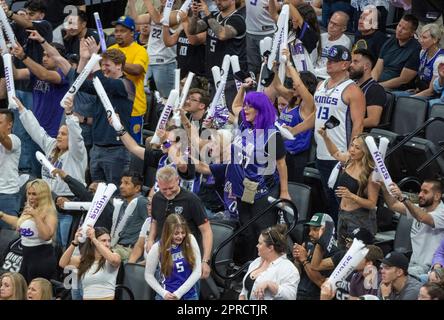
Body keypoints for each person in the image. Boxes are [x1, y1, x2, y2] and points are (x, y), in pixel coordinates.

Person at [288, 45, 365, 226]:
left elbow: (358, 124)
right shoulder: (321, 85)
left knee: (342, 201)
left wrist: (351, 155)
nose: (329, 63)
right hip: (322, 152)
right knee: (328, 199)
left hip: (341, 156)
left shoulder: (352, 90)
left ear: (345, 64)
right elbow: (317, 115)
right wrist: (294, 130)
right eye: (328, 59)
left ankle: (343, 237)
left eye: (334, 60)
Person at [15, 93, 87, 249]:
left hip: (67, 205)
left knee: (62, 245)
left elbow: (77, 137)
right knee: (47, 243)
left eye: (63, 134)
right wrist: (22, 110)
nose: (59, 136)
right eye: (59, 133)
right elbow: (37, 131)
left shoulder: (77, 154)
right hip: (47, 203)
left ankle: (58, 272)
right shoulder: (52, 147)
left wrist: (69, 115)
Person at [228, 89, 290, 263]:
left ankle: (266, 266)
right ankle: (248, 266)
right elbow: (235, 106)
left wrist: (284, 192)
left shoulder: (272, 134)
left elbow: (281, 165)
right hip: (245, 188)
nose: (245, 109)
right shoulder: (244, 122)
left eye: (250, 106)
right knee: (246, 229)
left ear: (260, 109)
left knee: (262, 231)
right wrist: (241, 88)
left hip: (264, 189)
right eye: (246, 105)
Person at [147, 166, 213, 279]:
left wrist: (205, 260)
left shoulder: (191, 200)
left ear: (178, 180)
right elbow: (155, 220)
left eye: (171, 188)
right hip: (163, 253)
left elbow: (206, 231)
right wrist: (150, 239)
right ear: (158, 184)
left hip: (188, 255)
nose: (168, 192)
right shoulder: (157, 198)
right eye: (164, 189)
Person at [318, 129, 379, 247]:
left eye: (357, 148)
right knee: (341, 251)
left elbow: (372, 204)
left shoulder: (371, 173)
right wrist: (325, 136)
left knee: (356, 255)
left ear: (366, 151)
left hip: (360, 219)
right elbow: (335, 153)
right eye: (352, 145)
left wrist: (352, 196)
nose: (352, 150)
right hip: (342, 214)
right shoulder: (349, 160)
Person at [188, 0, 248, 109]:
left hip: (230, 78)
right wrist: (195, 15)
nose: (218, 1)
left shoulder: (237, 19)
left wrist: (207, 13)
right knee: (216, 115)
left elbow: (222, 34)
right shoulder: (214, 16)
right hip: (213, 76)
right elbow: (192, 30)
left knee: (230, 113)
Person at [381, 180, 444, 278]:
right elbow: (393, 205)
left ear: (437, 196)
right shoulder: (420, 209)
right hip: (413, 264)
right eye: (420, 191)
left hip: (431, 269)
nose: (420, 195)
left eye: (425, 192)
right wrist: (384, 187)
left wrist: (403, 198)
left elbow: (422, 217)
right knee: (384, 271)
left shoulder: (442, 213)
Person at [0, 179, 58, 283]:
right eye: (29, 193)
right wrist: (2, 215)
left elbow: (46, 236)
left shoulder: (49, 212)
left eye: (34, 194)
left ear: (42, 195)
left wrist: (36, 216)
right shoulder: (29, 207)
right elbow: (19, 224)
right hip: (26, 255)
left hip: (41, 257)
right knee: (21, 289)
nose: (30, 197)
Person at [273, 53, 317, 183]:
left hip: (296, 156)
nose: (293, 84)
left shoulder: (309, 104)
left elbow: (298, 85)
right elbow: (277, 87)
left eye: (297, 81)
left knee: (292, 187)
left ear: (306, 86)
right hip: (281, 151)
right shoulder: (292, 98)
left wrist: (288, 63)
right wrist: (275, 70)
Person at [109, 15, 149, 143]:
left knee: (134, 146)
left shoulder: (140, 50)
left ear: (132, 32)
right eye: (116, 31)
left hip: (134, 107)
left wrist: (117, 62)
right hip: (113, 107)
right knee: (115, 144)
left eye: (123, 31)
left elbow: (137, 70)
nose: (118, 34)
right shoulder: (111, 50)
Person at [144, 214, 201, 300]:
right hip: (166, 295)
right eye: (176, 233)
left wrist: (178, 293)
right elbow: (148, 275)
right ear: (168, 232)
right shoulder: (157, 247)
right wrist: (164, 293)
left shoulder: (190, 239)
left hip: (189, 295)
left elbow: (197, 271)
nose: (180, 236)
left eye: (183, 232)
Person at [239, 224, 300, 300]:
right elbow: (244, 290)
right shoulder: (256, 262)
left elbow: (290, 296)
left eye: (260, 243)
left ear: (270, 248)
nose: (257, 246)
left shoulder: (289, 269)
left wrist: (270, 285)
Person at [59, 226, 121, 300]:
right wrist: (75, 243)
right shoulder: (84, 260)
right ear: (92, 242)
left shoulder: (114, 256)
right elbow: (63, 263)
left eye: (109, 241)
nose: (107, 244)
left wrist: (94, 239)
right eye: (103, 240)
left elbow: (114, 260)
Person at [293, 212, 338, 300]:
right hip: (298, 293)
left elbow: (321, 282)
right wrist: (297, 261)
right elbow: (296, 276)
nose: (310, 233)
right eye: (310, 229)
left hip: (315, 296)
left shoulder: (334, 252)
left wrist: (304, 260)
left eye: (315, 229)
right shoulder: (308, 245)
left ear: (326, 230)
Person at [372, 14, 421, 90]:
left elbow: (403, 80)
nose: (399, 30)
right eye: (399, 25)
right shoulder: (391, 40)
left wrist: (378, 86)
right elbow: (377, 68)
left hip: (395, 88)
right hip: (378, 83)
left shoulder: (416, 49)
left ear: (412, 33)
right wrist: (371, 83)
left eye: (404, 29)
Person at [110, 171, 149, 261]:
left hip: (129, 249)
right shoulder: (121, 204)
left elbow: (150, 225)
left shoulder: (142, 202)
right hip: (116, 245)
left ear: (137, 188)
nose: (121, 186)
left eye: (126, 183)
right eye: (121, 183)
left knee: (101, 256)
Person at [349, 48, 386, 129]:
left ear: (366, 66)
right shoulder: (350, 84)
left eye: (355, 62)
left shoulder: (375, 89)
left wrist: (346, 124)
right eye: (351, 62)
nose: (351, 65)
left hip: (359, 134)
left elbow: (373, 120)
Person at [314, 11, 352, 79]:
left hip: (328, 77)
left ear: (344, 28)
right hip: (314, 72)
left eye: (335, 24)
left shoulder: (345, 42)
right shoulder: (322, 37)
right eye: (330, 22)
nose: (331, 26)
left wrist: (313, 71)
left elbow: (335, 67)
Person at [0, 109, 21, 228]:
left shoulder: (15, 139)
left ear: (10, 124)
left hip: (8, 196)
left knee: (7, 238)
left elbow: (4, 140)